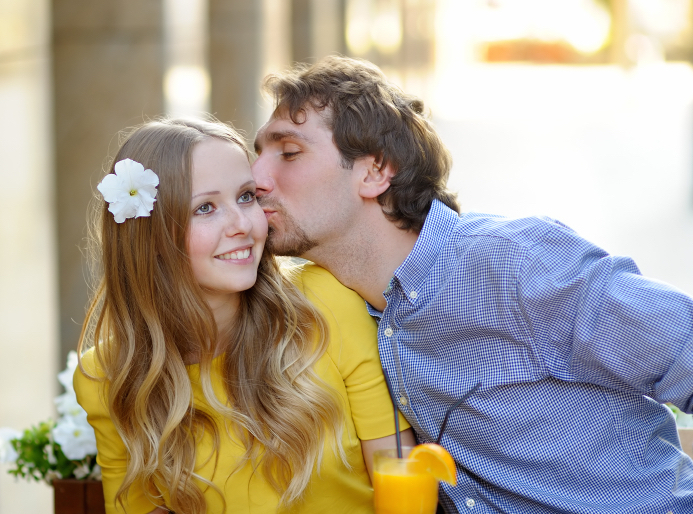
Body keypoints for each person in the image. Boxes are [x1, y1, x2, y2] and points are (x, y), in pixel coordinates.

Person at [251, 55, 693, 513]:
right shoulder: (339, 309)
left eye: (288, 152)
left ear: (375, 171)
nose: (256, 177)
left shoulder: (514, 264)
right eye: (258, 152)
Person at [73, 117, 414, 514]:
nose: (242, 225)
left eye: (247, 196)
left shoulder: (324, 304)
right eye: (205, 208)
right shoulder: (107, 376)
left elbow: (400, 482)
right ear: (151, 238)